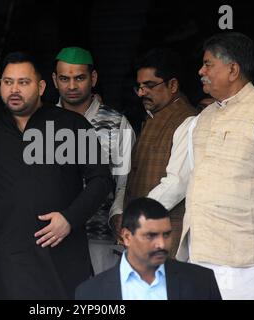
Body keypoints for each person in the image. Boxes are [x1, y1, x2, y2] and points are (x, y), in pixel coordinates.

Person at [148, 32, 254, 300]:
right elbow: (188, 182)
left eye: (208, 64)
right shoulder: (201, 119)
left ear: (233, 69)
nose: (201, 71)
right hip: (201, 254)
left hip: (250, 261)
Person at [0, 52, 113, 299]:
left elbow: (101, 180)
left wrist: (70, 218)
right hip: (8, 260)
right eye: (8, 82)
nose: (14, 89)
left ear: (40, 86)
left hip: (62, 254)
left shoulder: (71, 125)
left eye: (23, 82)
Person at [53, 47, 135, 274]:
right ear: (54, 80)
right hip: (54, 237)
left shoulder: (117, 123)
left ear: (93, 78)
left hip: (102, 238)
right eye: (64, 78)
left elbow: (124, 181)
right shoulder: (42, 124)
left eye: (79, 78)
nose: (71, 86)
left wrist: (117, 217)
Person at [123, 48, 198, 257]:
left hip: (165, 236)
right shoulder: (151, 117)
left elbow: (177, 184)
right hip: (142, 233)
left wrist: (136, 217)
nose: (141, 92)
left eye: (149, 86)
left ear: (172, 85)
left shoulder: (188, 121)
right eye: (138, 86)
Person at [75, 197, 221, 300]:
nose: (162, 244)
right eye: (151, 236)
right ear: (126, 237)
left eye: (166, 234)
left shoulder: (201, 281)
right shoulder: (90, 293)